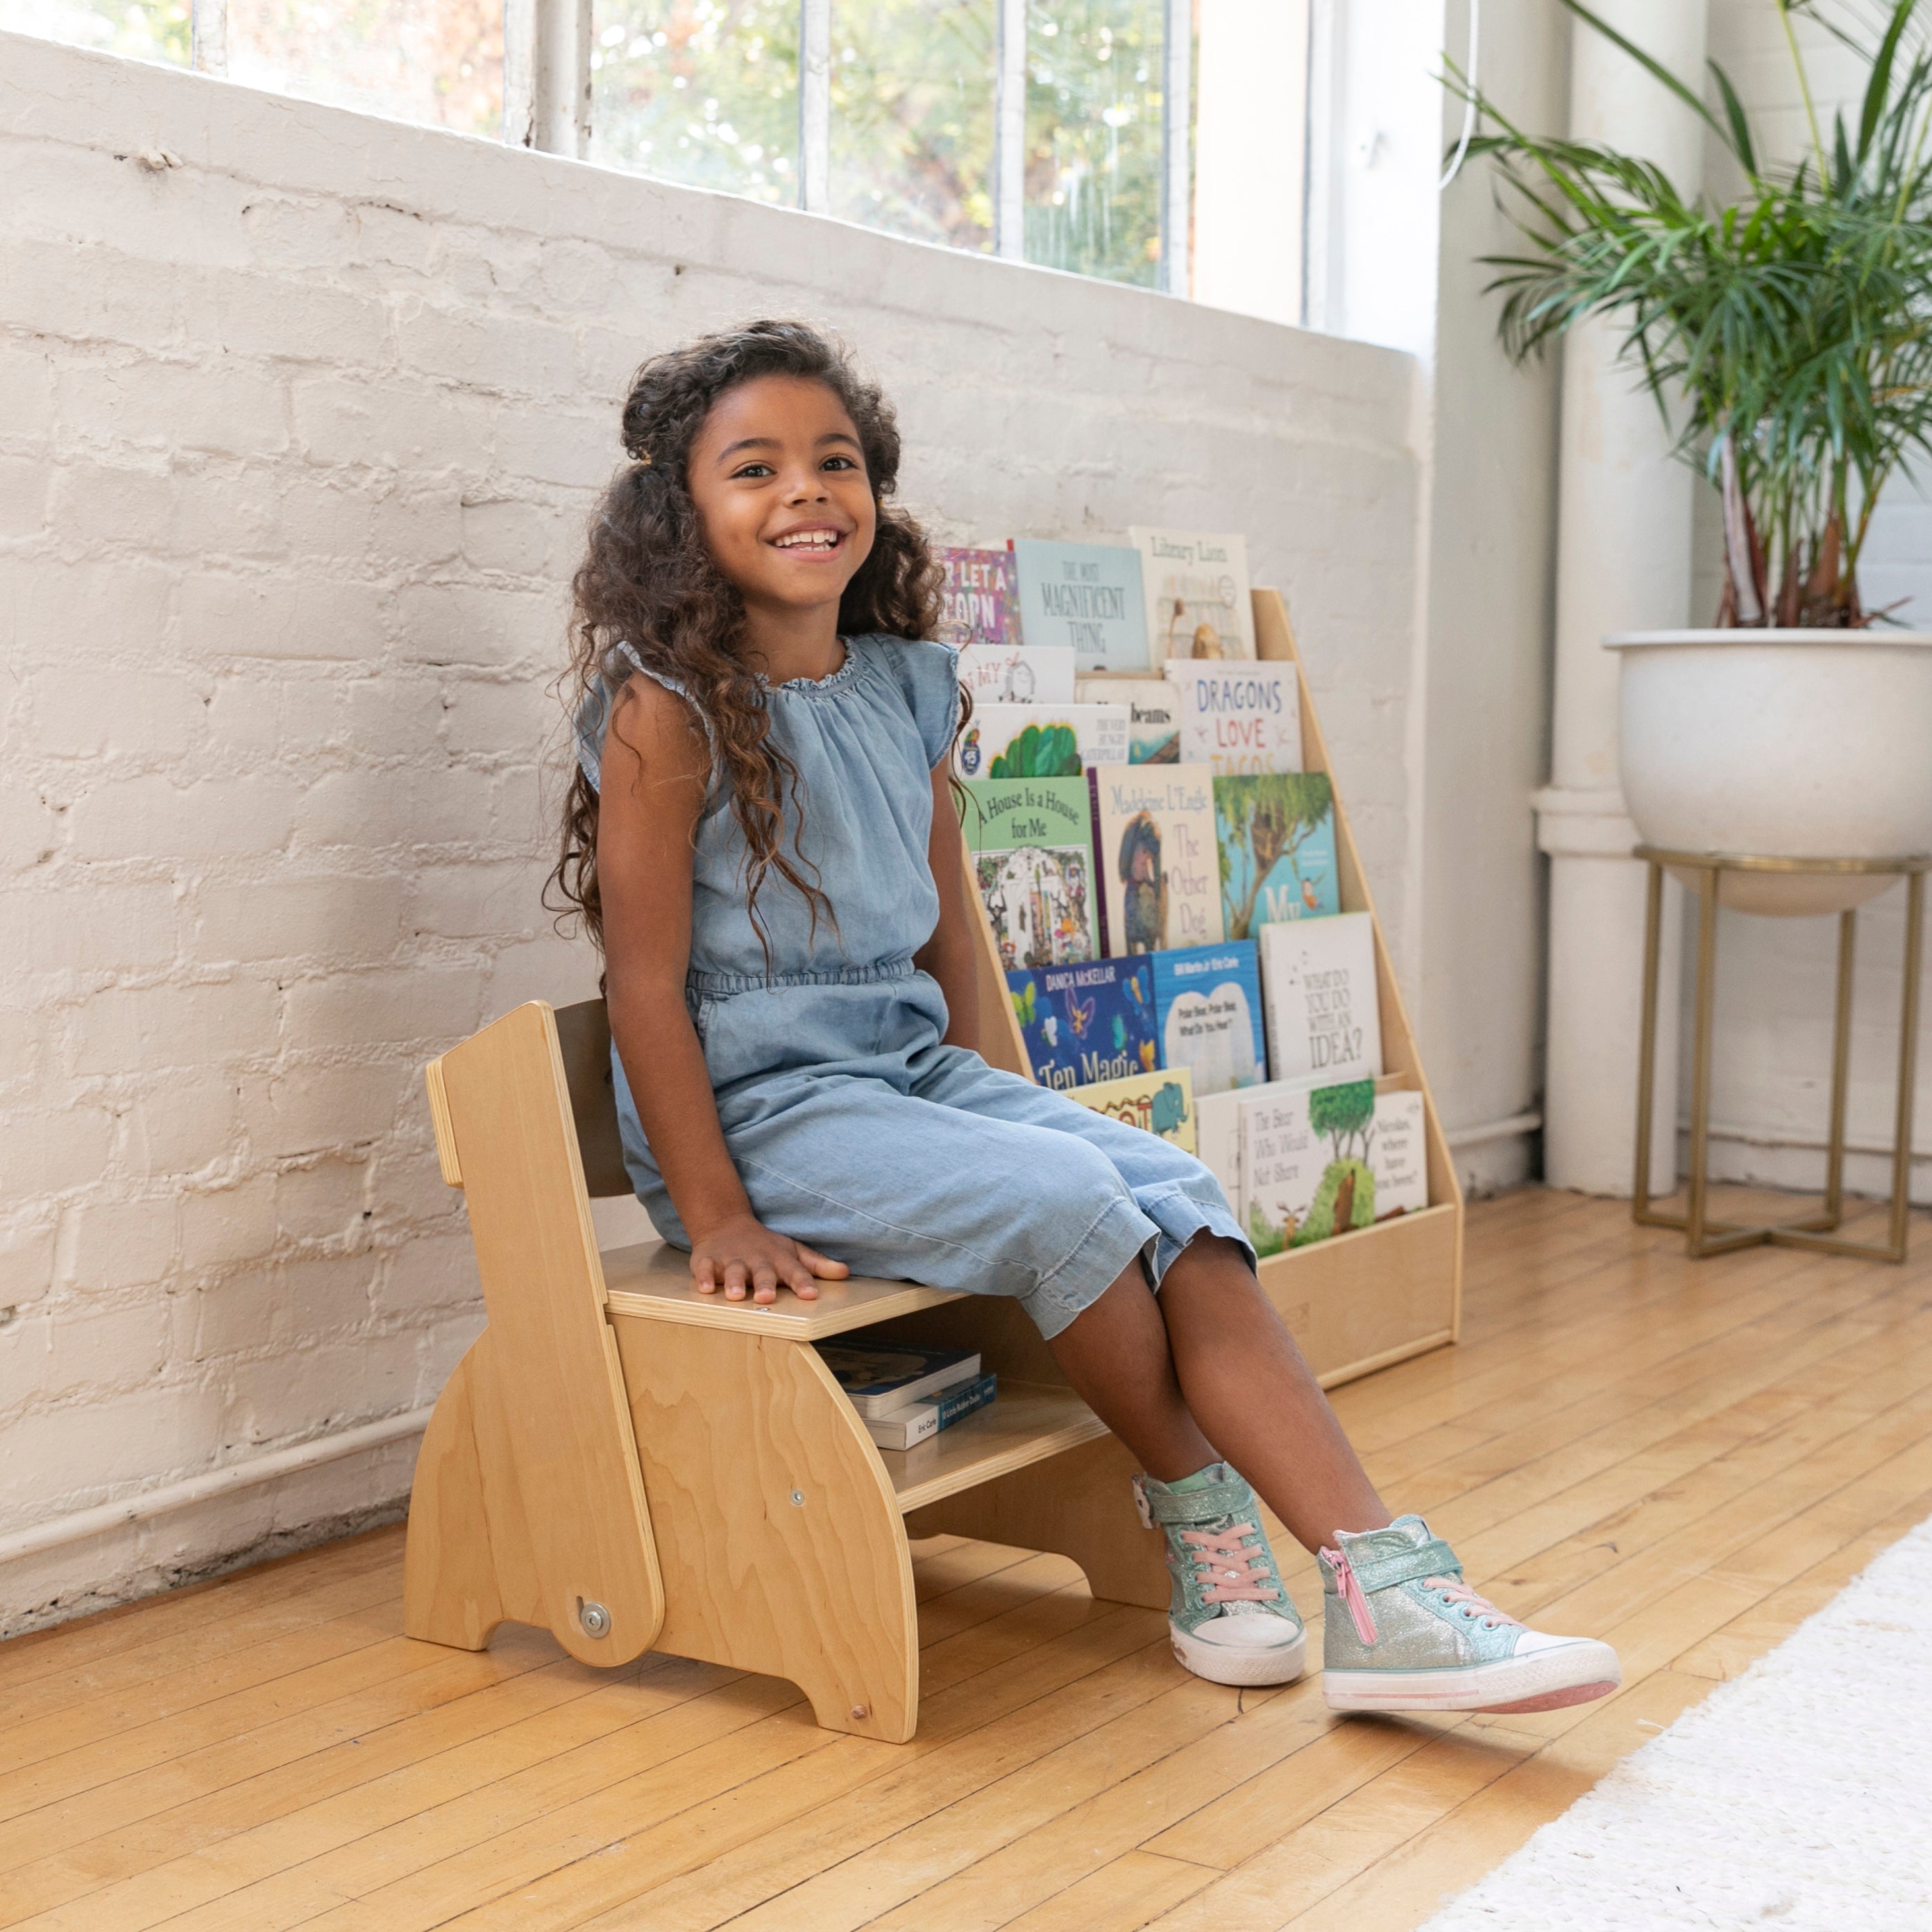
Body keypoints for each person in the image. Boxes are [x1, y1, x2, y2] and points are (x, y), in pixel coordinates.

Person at [556, 319, 1620, 1714]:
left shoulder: (903, 688)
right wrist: (715, 1213)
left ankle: (1391, 1589)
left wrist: (1008, 1112)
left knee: (1172, 1191)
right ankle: (1197, 1513)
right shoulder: (666, 712)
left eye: (834, 461)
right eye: (753, 469)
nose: (806, 492)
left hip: (908, 1083)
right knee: (1066, 1204)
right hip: (762, 1120)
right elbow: (642, 985)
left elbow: (953, 939)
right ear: (682, 517)